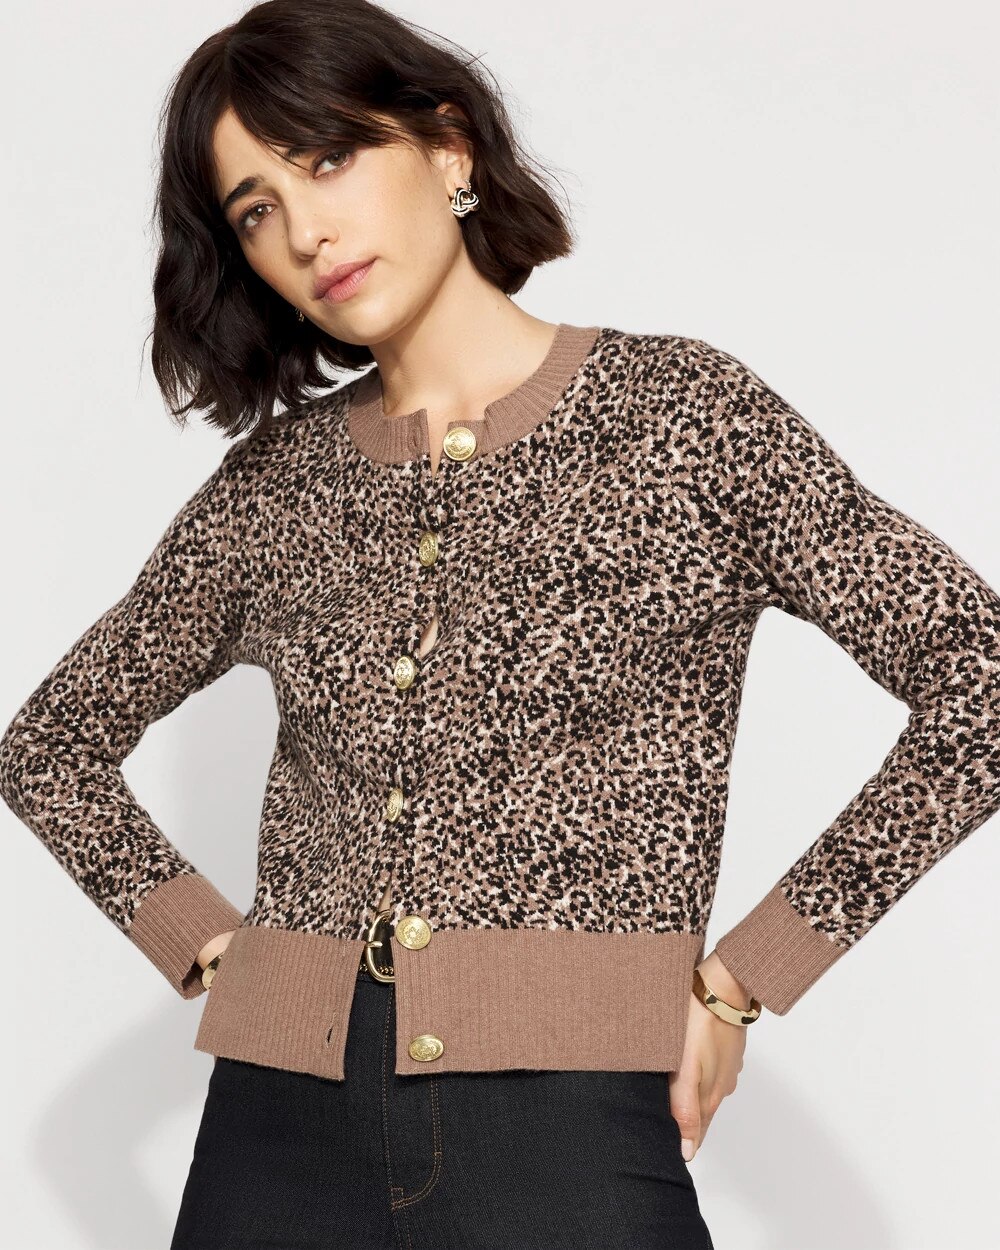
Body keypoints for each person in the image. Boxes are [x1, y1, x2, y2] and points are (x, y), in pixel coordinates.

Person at [2, 1, 998, 1247]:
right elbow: (47, 745)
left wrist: (746, 977)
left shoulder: (680, 416)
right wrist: (216, 949)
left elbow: (980, 675)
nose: (305, 232)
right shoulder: (272, 490)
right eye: (256, 209)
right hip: (273, 1137)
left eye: (329, 157)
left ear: (449, 147)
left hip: (567, 1131)